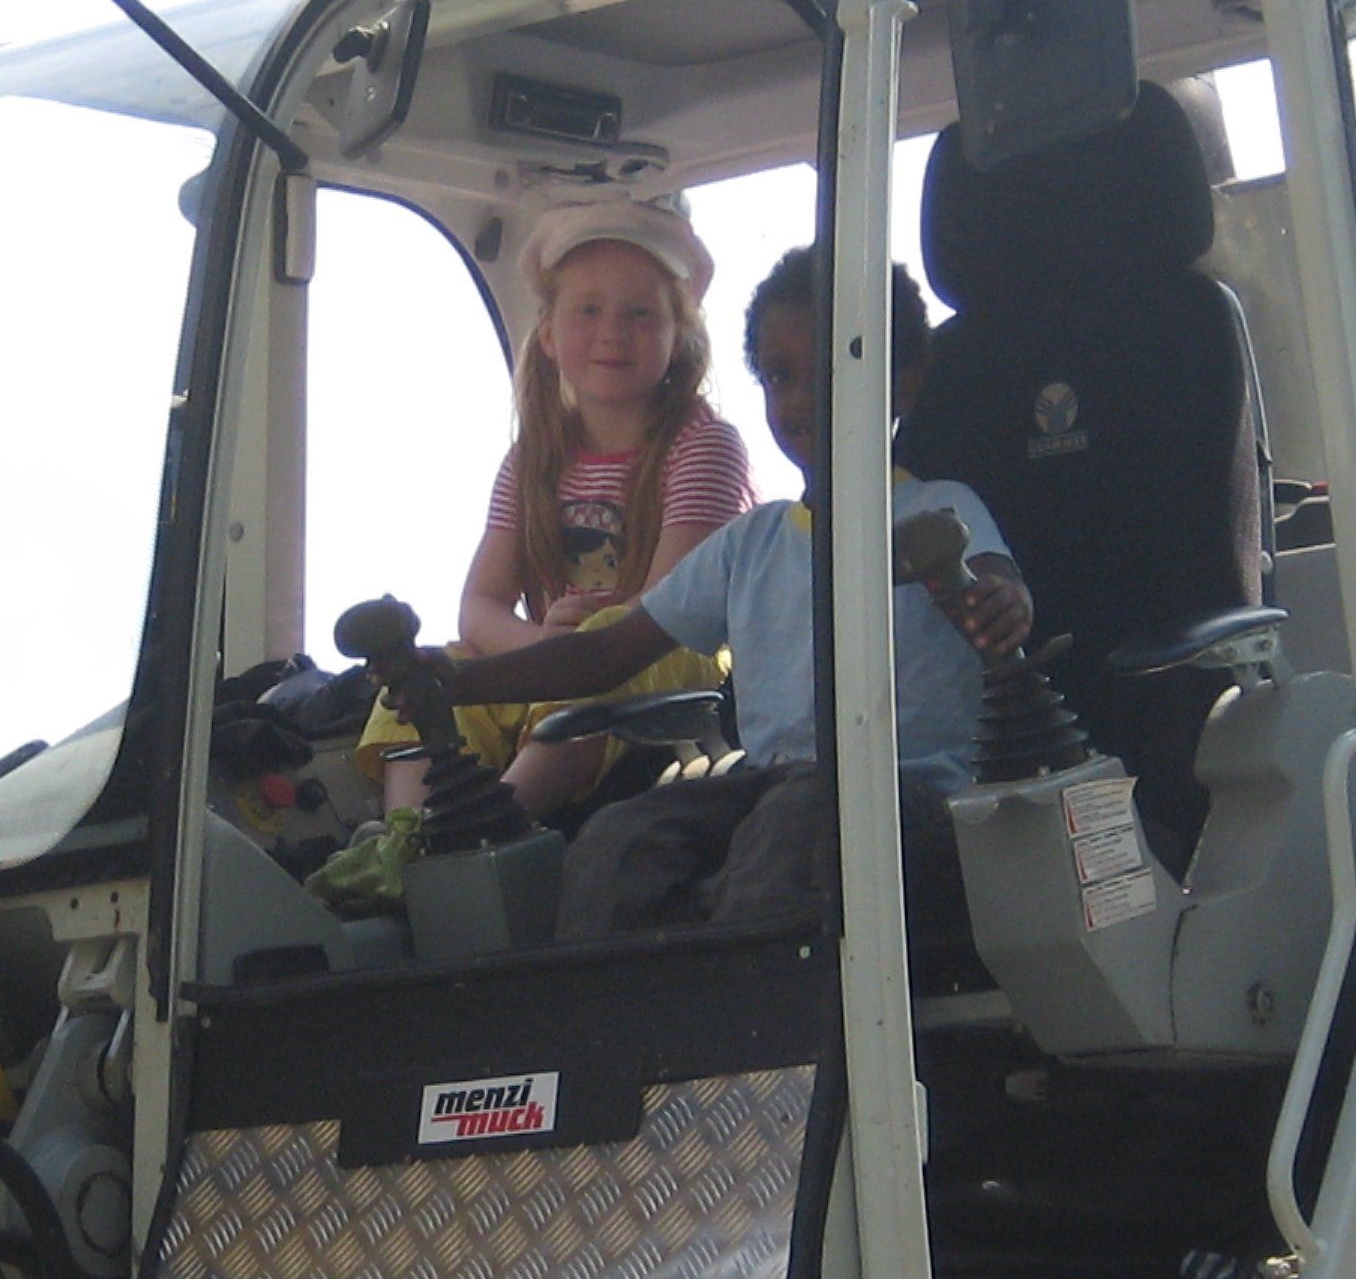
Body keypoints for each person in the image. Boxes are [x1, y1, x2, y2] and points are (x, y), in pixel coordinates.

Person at [370, 254, 1029, 938]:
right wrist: (457, 683)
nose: (804, 397)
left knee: (793, 826)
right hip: (777, 784)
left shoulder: (937, 508)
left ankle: (764, 1000)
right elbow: (604, 656)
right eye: (780, 376)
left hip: (911, 794)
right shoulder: (752, 542)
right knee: (618, 841)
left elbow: (995, 584)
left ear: (904, 383)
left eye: (837, 363)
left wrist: (1001, 603)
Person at [354, 198, 751, 822]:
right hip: (557, 657)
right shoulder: (531, 461)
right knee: (428, 676)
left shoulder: (704, 446)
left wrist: (571, 655)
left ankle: (500, 824)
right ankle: (407, 841)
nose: (613, 332)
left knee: (601, 644)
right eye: (588, 309)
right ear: (548, 334)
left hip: (656, 660)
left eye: (641, 313)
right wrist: (539, 646)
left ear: (678, 336)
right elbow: (480, 604)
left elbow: (667, 612)